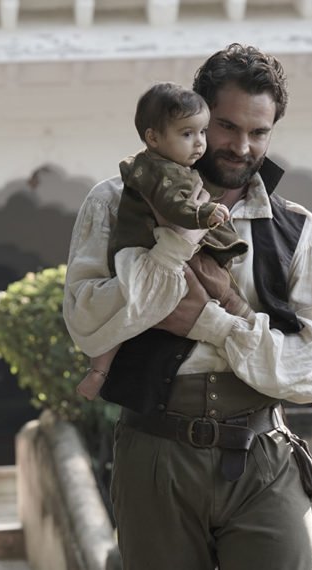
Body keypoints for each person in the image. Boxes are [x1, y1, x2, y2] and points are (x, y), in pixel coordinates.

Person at [63, 43, 312, 570]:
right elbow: (86, 324)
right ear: (194, 116)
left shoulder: (301, 230)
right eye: (226, 126)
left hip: (263, 453)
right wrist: (166, 258)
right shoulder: (113, 202)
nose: (242, 146)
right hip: (155, 451)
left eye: (259, 132)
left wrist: (212, 319)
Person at [76, 82, 254, 401]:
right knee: (216, 281)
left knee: (121, 323)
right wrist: (206, 214)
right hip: (153, 247)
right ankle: (242, 314)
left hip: (143, 251)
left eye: (202, 132)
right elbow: (175, 207)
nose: (199, 143)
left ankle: (98, 372)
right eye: (187, 134)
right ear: (154, 137)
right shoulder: (163, 171)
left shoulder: (160, 165)